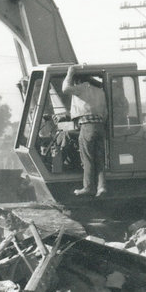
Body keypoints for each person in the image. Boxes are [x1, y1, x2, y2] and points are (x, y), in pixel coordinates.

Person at [62, 65, 108, 197]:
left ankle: (88, 187)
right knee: (100, 159)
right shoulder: (100, 91)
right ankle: (101, 187)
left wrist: (70, 73)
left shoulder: (83, 87)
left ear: (78, 81)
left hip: (87, 127)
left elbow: (65, 89)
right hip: (100, 126)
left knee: (87, 158)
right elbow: (105, 113)